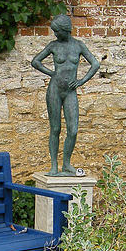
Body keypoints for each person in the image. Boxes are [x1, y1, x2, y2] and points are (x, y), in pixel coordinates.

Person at [31, 14, 100, 176]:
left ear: (65, 30)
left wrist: (81, 81)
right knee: (55, 128)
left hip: (70, 91)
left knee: (73, 130)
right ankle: (54, 166)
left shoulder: (79, 46)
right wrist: (52, 73)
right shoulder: (53, 46)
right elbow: (35, 61)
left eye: (57, 31)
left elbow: (95, 64)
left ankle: (66, 164)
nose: (55, 34)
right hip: (55, 89)